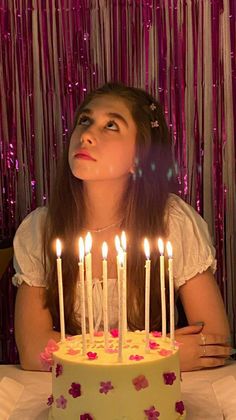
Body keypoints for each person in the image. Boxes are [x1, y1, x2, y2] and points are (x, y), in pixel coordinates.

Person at [13, 82, 231, 372]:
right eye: (84, 120)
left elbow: (214, 342)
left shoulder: (172, 221)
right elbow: (32, 350)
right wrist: (157, 353)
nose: (87, 135)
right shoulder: (40, 229)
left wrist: (79, 356)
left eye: (111, 126)